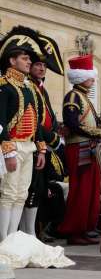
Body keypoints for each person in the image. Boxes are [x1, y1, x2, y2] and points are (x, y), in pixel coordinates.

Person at [59, 54, 101, 245]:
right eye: (91, 76)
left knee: (91, 190)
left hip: (89, 147)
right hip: (78, 147)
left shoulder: (84, 97)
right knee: (80, 190)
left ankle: (87, 227)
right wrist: (98, 133)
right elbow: (72, 124)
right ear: (81, 77)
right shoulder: (73, 96)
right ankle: (74, 230)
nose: (94, 79)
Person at [0, 26, 48, 241]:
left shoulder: (28, 88)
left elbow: (36, 121)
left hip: (28, 147)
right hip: (11, 147)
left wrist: (41, 149)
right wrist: (8, 151)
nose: (29, 62)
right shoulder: (4, 86)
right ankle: (4, 240)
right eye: (25, 58)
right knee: (8, 194)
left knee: (21, 194)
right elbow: (0, 122)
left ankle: (14, 238)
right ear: (12, 61)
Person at [20, 34, 65, 238]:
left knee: (40, 189)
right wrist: (51, 139)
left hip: (44, 144)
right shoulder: (27, 86)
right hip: (32, 143)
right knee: (29, 189)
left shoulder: (41, 88)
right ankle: (26, 233)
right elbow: (33, 119)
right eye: (36, 64)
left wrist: (54, 133)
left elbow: (50, 115)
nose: (40, 68)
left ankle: (34, 232)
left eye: (43, 66)